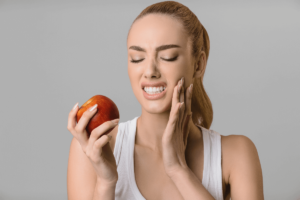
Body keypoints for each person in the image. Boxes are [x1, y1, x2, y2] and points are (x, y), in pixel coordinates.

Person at [67, 1, 264, 199]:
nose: (150, 71)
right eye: (137, 58)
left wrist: (179, 169)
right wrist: (106, 182)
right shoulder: (94, 148)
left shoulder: (236, 154)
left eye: (168, 57)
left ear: (198, 64)